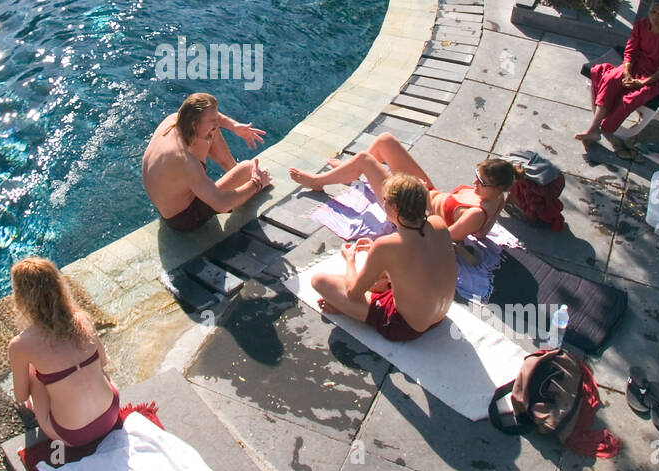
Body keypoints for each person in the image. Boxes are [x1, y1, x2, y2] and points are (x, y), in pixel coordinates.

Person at [289, 133, 519, 242]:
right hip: (426, 191)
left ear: (498, 188)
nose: (474, 183)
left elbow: (440, 242)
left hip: (412, 208)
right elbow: (485, 229)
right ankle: (352, 170)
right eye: (475, 176)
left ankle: (319, 182)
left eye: (481, 182)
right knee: (385, 141)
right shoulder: (497, 198)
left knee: (365, 160)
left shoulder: (476, 214)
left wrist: (411, 216)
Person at [307, 173, 454, 341]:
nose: (382, 204)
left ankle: (347, 310)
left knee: (319, 281)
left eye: (385, 200)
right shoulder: (438, 223)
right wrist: (382, 257)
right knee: (381, 279)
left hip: (405, 327)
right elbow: (419, 259)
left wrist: (350, 260)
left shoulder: (387, 245)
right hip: (439, 316)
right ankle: (353, 306)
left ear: (396, 208)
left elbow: (353, 293)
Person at [8, 257, 122, 447]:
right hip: (111, 413)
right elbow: (103, 362)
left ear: (21, 298)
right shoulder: (82, 319)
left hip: (72, 435)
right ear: (59, 287)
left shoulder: (20, 345)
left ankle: (38, 406)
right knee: (85, 367)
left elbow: (20, 396)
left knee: (36, 375)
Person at [142, 92, 270, 231]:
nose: (217, 124)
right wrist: (256, 183)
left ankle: (231, 168)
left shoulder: (173, 119)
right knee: (248, 168)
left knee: (210, 131)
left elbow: (214, 119)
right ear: (194, 124)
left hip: (166, 201)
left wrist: (234, 126)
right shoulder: (184, 161)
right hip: (183, 218)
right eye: (212, 120)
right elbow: (221, 204)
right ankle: (241, 175)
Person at [576, 0, 659, 145]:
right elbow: (630, 51)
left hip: (656, 76)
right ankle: (594, 128)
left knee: (630, 98)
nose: (655, 17)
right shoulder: (641, 25)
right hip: (636, 65)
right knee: (611, 79)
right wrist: (627, 72)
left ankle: (602, 128)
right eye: (653, 12)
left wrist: (641, 83)